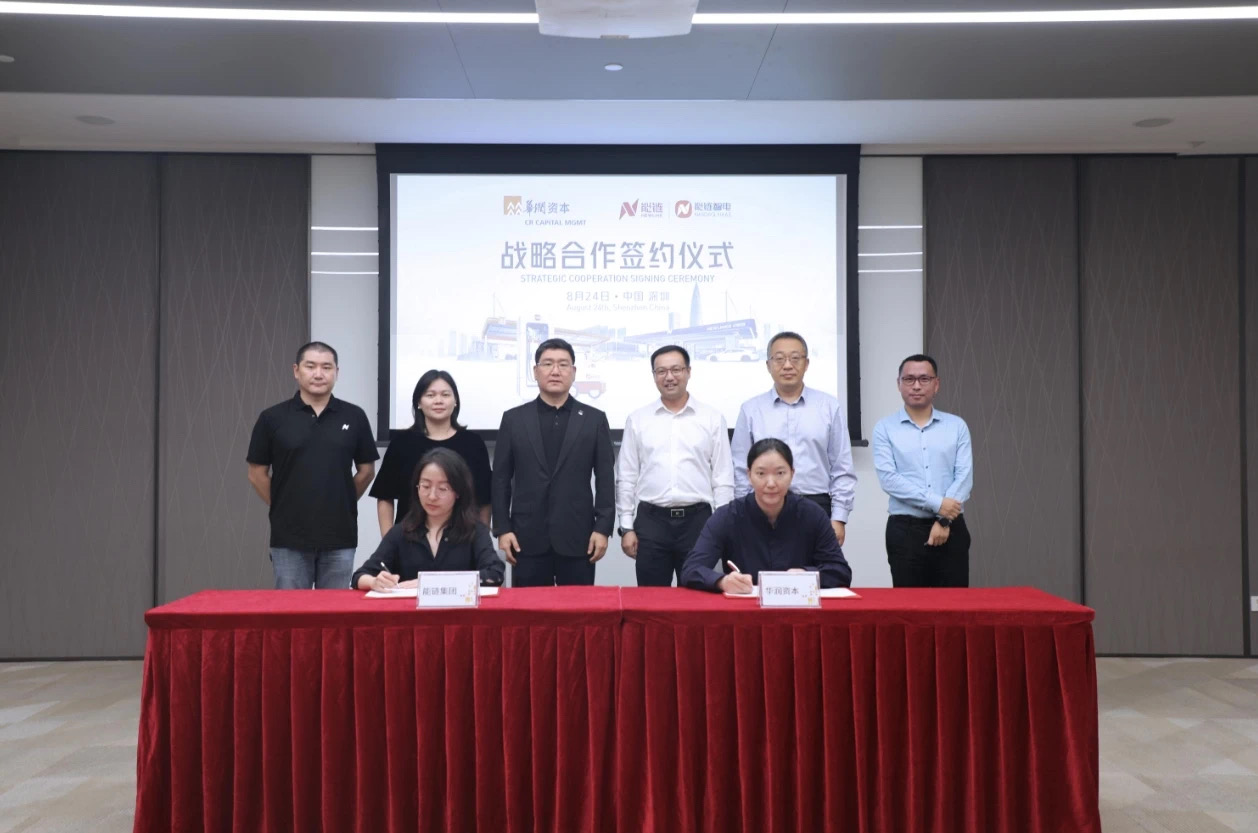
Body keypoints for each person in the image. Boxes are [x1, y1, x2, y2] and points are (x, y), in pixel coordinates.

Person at [246, 341, 378, 589]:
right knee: (291, 616)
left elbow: (366, 471)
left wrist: (343, 499)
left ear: (337, 372)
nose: (319, 374)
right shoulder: (272, 418)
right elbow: (256, 473)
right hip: (289, 536)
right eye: (311, 366)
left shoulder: (354, 416)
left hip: (340, 534)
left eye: (326, 367)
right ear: (296, 370)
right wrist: (284, 503)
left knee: (335, 617)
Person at [492, 338, 615, 586]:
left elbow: (605, 480)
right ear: (535, 371)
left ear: (574, 372)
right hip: (525, 537)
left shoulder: (594, 419)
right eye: (547, 364)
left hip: (578, 537)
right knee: (529, 618)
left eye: (563, 364)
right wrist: (503, 529)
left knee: (578, 617)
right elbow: (501, 479)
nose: (555, 371)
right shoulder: (514, 419)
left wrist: (602, 529)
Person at [615, 345, 735, 586]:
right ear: (654, 376)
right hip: (651, 521)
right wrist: (626, 527)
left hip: (698, 522)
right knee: (650, 602)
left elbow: (723, 478)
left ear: (689, 372)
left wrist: (722, 527)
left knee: (696, 600)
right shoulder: (638, 419)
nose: (669, 377)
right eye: (661, 371)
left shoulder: (711, 418)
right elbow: (626, 476)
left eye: (676, 369)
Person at [730, 331, 856, 546]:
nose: (787, 365)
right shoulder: (751, 409)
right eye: (779, 359)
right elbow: (741, 469)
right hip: (763, 505)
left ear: (806, 364)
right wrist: (743, 513)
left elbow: (842, 466)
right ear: (768, 365)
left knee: (816, 576)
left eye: (795, 358)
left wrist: (839, 517)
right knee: (764, 574)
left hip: (816, 505)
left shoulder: (828, 406)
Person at [681, 438, 852, 593]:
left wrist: (807, 575)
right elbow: (691, 569)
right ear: (749, 475)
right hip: (745, 614)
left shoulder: (812, 515)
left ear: (792, 474)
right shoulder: (727, 516)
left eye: (780, 473)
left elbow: (841, 572)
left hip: (799, 612)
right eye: (761, 473)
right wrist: (722, 581)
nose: (771, 483)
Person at [872, 354, 973, 587]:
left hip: (952, 529)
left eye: (924, 379)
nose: (916, 385)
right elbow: (890, 480)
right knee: (909, 612)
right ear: (898, 384)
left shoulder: (956, 426)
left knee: (954, 610)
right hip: (905, 532)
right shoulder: (884, 429)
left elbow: (964, 478)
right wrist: (939, 505)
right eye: (909, 379)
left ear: (936, 384)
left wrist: (944, 520)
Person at [353, 448, 504, 590]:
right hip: (411, 615)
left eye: (442, 489)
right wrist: (375, 581)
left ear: (458, 492)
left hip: (459, 614)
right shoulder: (402, 531)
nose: (432, 496)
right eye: (425, 486)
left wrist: (430, 583)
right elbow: (359, 576)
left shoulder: (475, 531)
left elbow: (494, 575)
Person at [369, 370, 492, 536]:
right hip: (410, 539)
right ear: (419, 402)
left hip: (461, 541)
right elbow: (385, 496)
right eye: (430, 395)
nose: (438, 401)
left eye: (446, 395)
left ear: (455, 401)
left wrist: (481, 542)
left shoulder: (473, 444)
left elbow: (484, 500)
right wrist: (388, 542)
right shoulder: (401, 443)